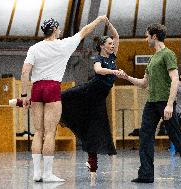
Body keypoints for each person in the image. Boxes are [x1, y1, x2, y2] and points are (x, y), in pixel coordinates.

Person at [20, 15, 108, 182]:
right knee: (50, 132)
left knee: (38, 132)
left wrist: (24, 95)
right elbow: (84, 31)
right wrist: (99, 20)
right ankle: (47, 174)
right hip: (52, 88)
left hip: (37, 88)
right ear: (54, 30)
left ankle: (37, 174)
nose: (60, 31)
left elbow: (25, 72)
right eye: (58, 28)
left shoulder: (34, 48)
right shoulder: (64, 44)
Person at [118, 23, 181, 183]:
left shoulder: (167, 54)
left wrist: (169, 104)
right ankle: (146, 174)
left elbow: (175, 79)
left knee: (176, 137)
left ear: (154, 36)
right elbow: (143, 83)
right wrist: (126, 77)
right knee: (145, 136)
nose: (146, 39)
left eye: (147, 36)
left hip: (164, 103)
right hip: (151, 103)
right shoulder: (153, 58)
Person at [60, 18, 121, 182]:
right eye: (109, 44)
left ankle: (92, 164)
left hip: (98, 101)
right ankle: (42, 101)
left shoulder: (113, 56)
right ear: (102, 46)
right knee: (63, 97)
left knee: (95, 130)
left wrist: (108, 24)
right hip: (88, 92)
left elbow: (116, 36)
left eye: (112, 44)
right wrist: (114, 72)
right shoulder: (98, 59)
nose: (112, 45)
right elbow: (99, 71)